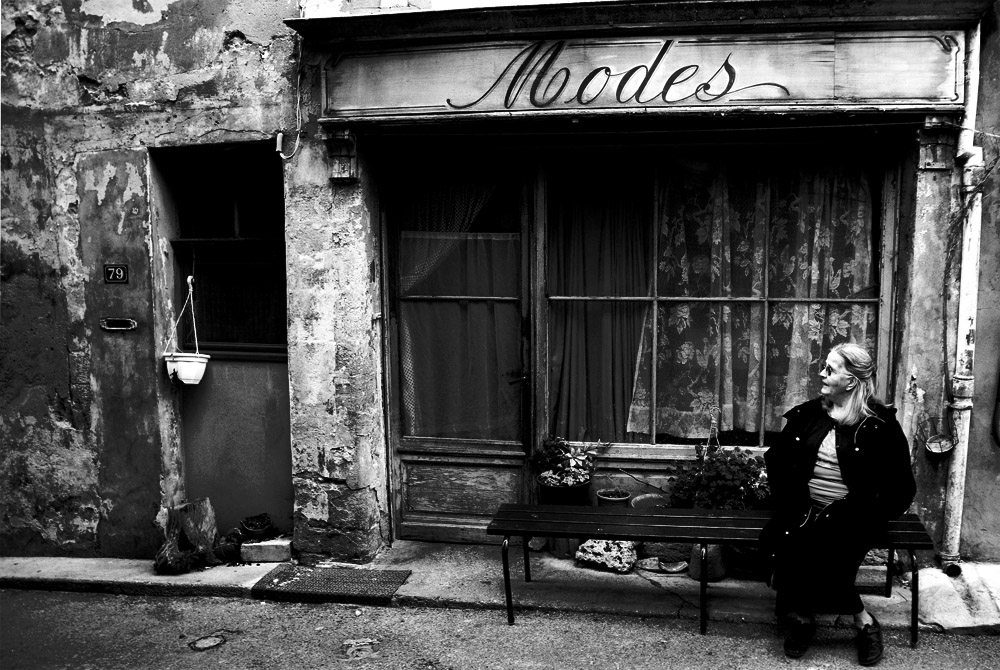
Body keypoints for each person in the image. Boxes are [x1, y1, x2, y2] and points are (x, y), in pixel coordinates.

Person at [761, 343, 916, 666]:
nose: (821, 373)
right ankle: (808, 618)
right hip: (804, 511)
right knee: (794, 541)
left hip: (852, 518)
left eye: (830, 370)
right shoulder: (809, 414)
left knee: (824, 551)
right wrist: (791, 501)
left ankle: (857, 621)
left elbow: (901, 487)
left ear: (851, 381)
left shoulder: (878, 424)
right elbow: (776, 459)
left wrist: (867, 513)